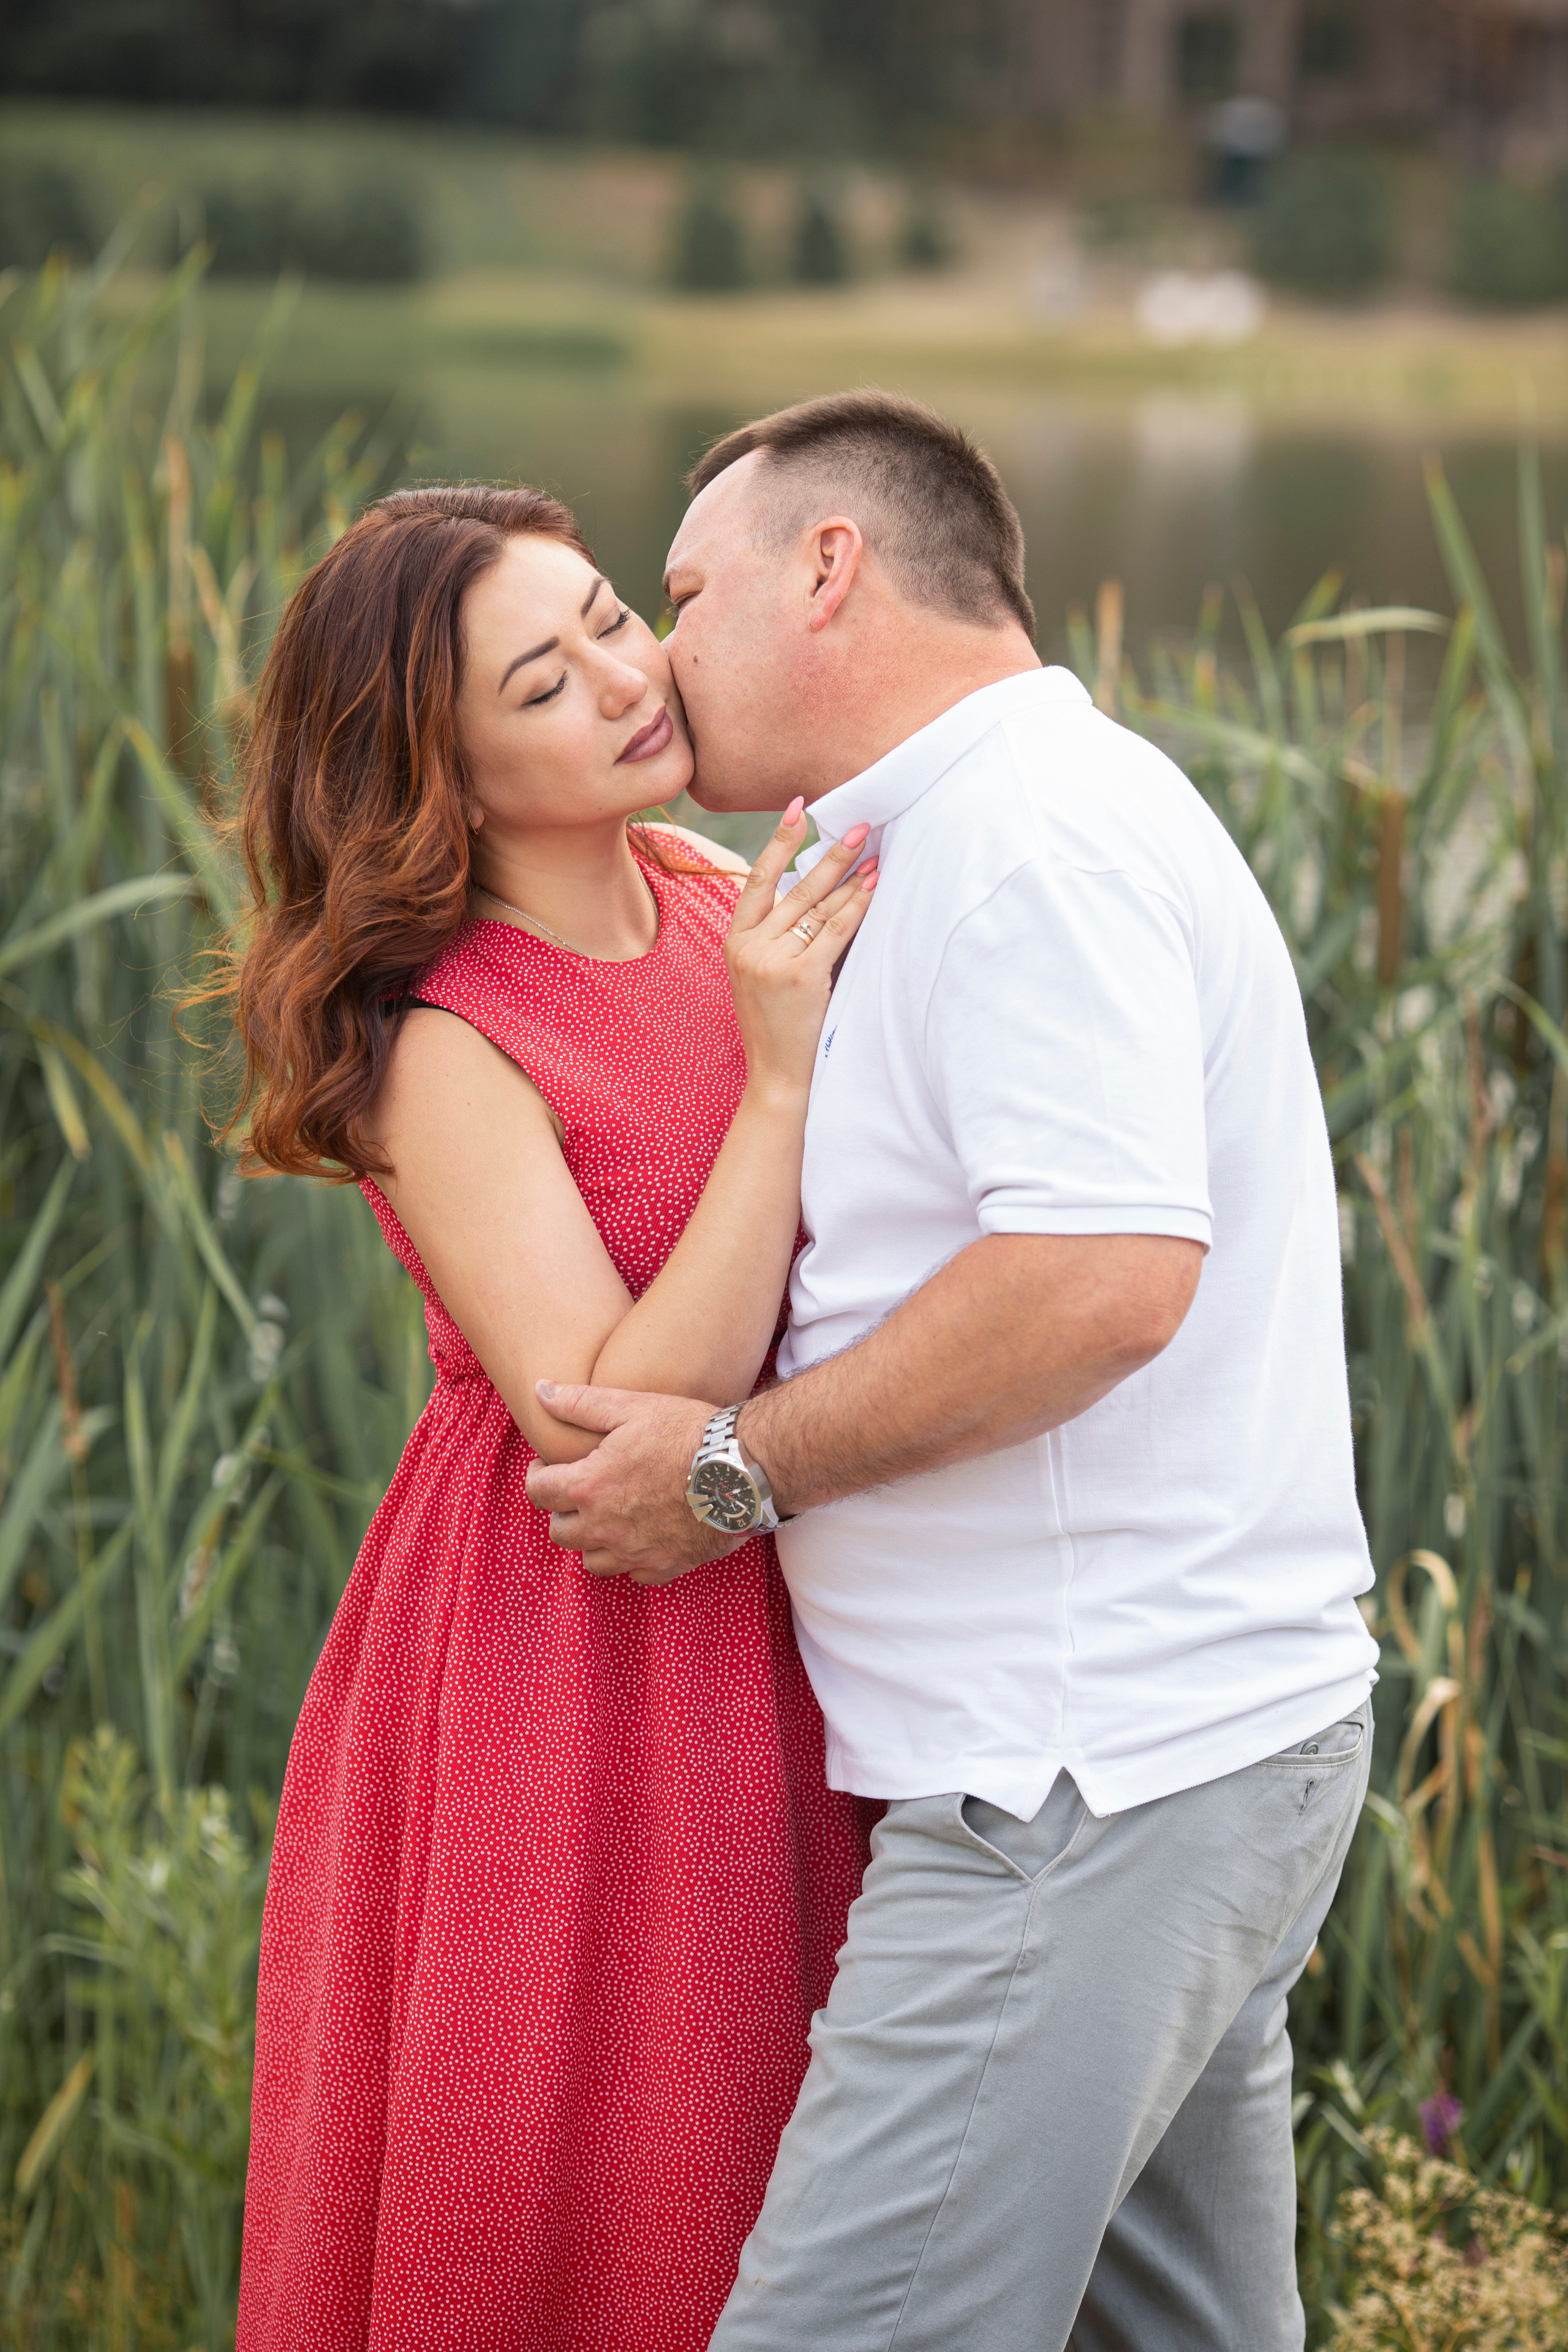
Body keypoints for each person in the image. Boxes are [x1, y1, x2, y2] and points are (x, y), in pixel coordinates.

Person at [525, 393, 1382, 2352]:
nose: (652, 655)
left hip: (1080, 1781)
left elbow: (1098, 1282)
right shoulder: (979, 823)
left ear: (830, 569)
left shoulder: (1022, 841)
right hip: (1171, 1750)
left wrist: (735, 1467)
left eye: (677, 593)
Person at [227, 484, 880, 2352]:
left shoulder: (696, 888)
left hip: (776, 1607)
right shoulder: (443, 1036)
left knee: (791, 2149)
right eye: (543, 678)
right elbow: (613, 1416)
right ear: (444, 774)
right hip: (567, 1652)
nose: (621, 677)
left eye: (610, 615)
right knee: (598, 2174)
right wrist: (776, 1084)